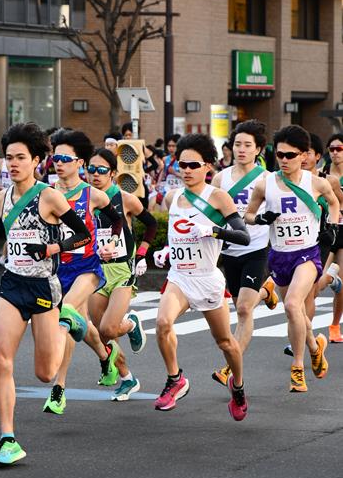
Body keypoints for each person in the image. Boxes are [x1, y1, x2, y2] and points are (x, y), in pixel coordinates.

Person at [0, 122, 91, 468]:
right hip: (12, 284)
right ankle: (8, 438)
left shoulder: (49, 196)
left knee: (44, 372)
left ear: (37, 159)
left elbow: (83, 236)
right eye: (9, 158)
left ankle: (68, 322)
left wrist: (52, 246)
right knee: (0, 359)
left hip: (42, 288)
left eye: (21, 157)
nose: (13, 164)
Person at [153, 133, 251, 421]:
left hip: (207, 279)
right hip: (179, 277)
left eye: (193, 165)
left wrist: (214, 230)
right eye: (181, 164)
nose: (186, 170)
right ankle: (176, 379)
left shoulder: (217, 197)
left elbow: (243, 236)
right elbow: (179, 234)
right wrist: (166, 250)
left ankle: (238, 385)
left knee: (225, 343)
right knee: (162, 323)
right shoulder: (174, 197)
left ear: (208, 166)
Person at [244, 125, 338, 392]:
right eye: (280, 155)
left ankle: (298, 369)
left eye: (290, 155)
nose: (284, 160)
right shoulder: (265, 184)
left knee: (293, 305)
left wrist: (332, 226)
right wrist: (260, 218)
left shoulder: (317, 182)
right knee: (295, 312)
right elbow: (248, 215)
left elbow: (333, 202)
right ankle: (314, 347)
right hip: (279, 255)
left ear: (304, 155)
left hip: (307, 254)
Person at [42, 128, 123, 415]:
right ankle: (105, 356)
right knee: (82, 322)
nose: (58, 162)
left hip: (87, 268)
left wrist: (111, 243)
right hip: (56, 270)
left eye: (65, 157)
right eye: (55, 157)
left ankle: (58, 389)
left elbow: (117, 221)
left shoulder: (93, 194)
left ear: (80, 164)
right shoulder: (45, 193)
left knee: (66, 315)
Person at [211, 120, 278, 386]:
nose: (241, 149)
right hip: (230, 249)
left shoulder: (267, 179)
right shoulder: (221, 177)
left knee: (242, 310)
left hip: (256, 248)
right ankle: (267, 290)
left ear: (258, 149)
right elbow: (211, 211)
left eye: (247, 145)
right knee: (242, 305)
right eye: (237, 144)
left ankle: (230, 366)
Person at [87, 148, 157, 401]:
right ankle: (128, 378)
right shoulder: (83, 199)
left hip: (120, 270)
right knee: (100, 334)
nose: (95, 175)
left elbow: (152, 224)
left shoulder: (125, 198)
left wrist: (141, 253)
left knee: (110, 327)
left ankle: (130, 324)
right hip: (94, 271)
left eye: (101, 170)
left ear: (113, 174)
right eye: (91, 169)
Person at [283, 133, 343, 356]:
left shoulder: (327, 180)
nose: (304, 156)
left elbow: (337, 202)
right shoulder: (287, 180)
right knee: (310, 291)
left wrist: (333, 222)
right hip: (302, 240)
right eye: (301, 152)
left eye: (308, 152)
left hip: (329, 235)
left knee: (311, 290)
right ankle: (332, 278)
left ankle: (328, 325)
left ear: (317, 156)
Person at [322, 133, 343, 342]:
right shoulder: (323, 174)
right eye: (332, 149)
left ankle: (335, 326)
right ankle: (332, 279)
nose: (335, 153)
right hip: (327, 230)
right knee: (318, 280)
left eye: (339, 149)